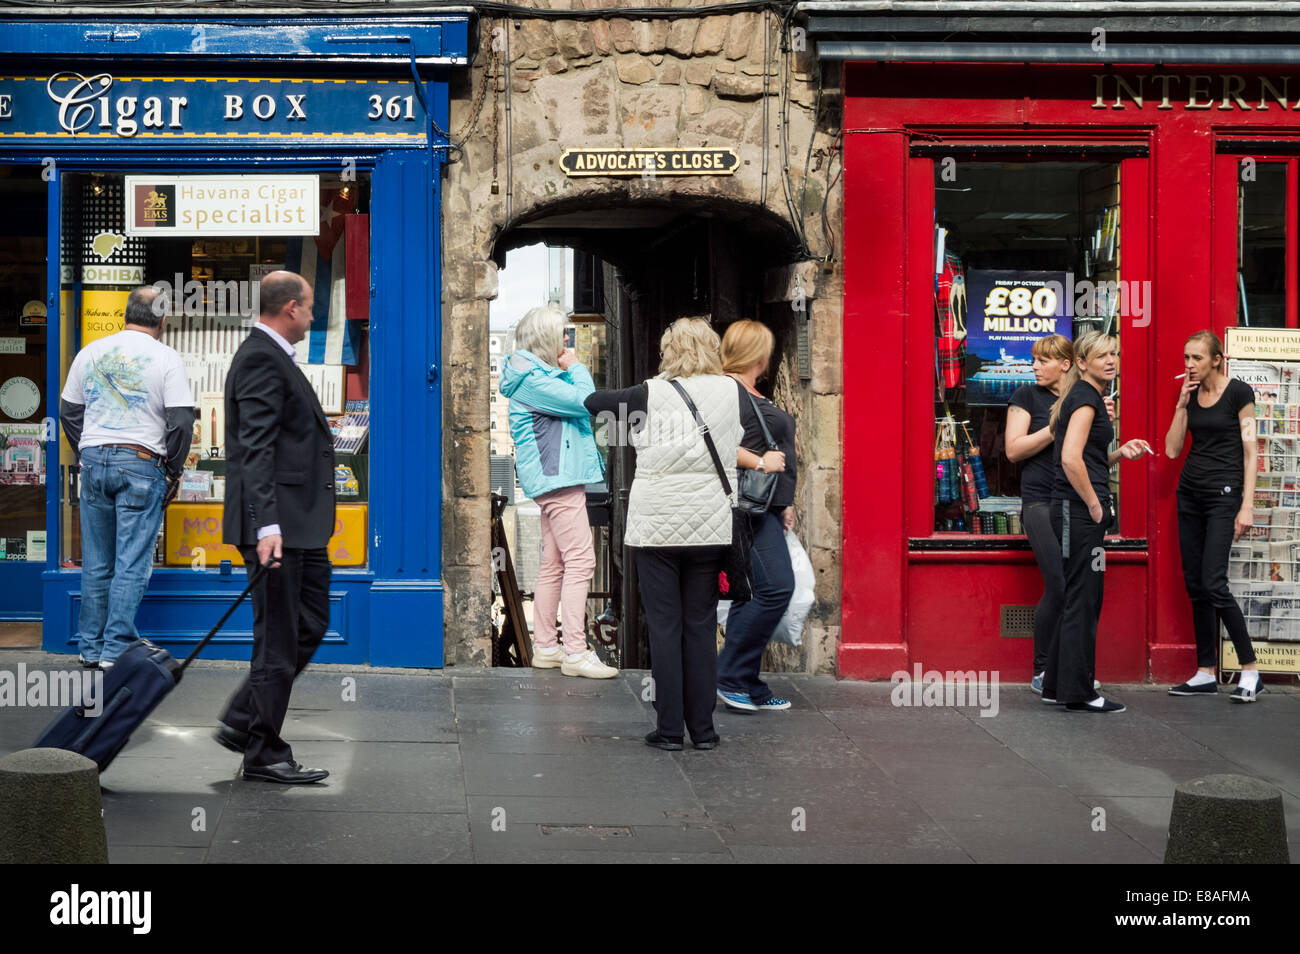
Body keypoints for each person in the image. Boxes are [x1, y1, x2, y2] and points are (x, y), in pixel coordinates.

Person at [584, 317, 743, 750]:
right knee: (700, 625)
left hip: (657, 528)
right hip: (710, 526)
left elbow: (594, 402)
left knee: (665, 627)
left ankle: (670, 730)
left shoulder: (647, 394)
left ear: (669, 352)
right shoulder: (733, 391)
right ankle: (704, 731)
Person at [214, 271, 335, 784]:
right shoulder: (262, 358)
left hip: (298, 525)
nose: (312, 316)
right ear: (289, 308)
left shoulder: (271, 357)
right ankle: (263, 750)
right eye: (308, 308)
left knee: (309, 623)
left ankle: (245, 721)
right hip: (277, 526)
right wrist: (267, 526)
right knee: (279, 639)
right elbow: (255, 448)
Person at [59, 286, 193, 670]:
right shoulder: (167, 358)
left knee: (98, 561)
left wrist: (88, 447)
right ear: (163, 321)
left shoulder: (91, 352)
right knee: (132, 562)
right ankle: (116, 648)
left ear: (125, 316)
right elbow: (181, 421)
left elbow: (69, 411)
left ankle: (90, 646)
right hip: (140, 463)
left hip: (94, 460)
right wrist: (173, 468)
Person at [499, 305, 616, 678]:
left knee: (555, 563)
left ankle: (547, 647)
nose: (568, 339)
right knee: (582, 562)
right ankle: (576, 653)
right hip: (559, 479)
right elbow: (586, 403)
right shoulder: (535, 380)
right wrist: (578, 366)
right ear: (546, 339)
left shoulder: (536, 375)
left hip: (553, 479)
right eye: (562, 334)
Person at [1044, 331, 1151, 713]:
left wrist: (1119, 453)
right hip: (1078, 514)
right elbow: (1071, 460)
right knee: (1084, 599)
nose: (1112, 360)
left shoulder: (1081, 397)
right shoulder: (1087, 399)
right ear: (1083, 362)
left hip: (1074, 511)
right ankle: (1080, 692)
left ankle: (1058, 684)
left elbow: (1085, 461)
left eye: (1115, 353)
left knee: (1079, 595)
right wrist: (1094, 505)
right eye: (1102, 354)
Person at [1006, 334, 1110, 695]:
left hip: (1070, 504)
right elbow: (1013, 450)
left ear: (1066, 364)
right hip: (1039, 503)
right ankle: (1042, 669)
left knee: (1076, 587)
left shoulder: (1080, 399)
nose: (1034, 366)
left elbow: (1085, 458)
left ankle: (1061, 672)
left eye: (1042, 360)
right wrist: (1056, 428)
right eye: (1034, 360)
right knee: (1060, 584)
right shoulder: (1026, 397)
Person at [1164, 331, 1263, 702]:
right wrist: (1180, 405)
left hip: (1224, 497)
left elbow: (1251, 451)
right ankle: (1205, 671)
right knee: (1195, 585)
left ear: (1217, 360)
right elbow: (1173, 450)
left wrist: (1247, 504)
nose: (1189, 365)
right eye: (1186, 358)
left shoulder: (1239, 393)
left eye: (1197, 359)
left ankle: (1250, 670)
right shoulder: (1189, 396)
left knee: (1214, 583)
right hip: (1189, 495)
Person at [715, 319, 796, 713]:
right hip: (747, 510)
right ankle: (730, 676)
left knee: (754, 593)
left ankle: (745, 681)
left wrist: (785, 502)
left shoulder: (748, 391)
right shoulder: (728, 392)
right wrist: (763, 462)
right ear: (758, 354)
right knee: (776, 588)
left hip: (766, 508)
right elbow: (713, 444)